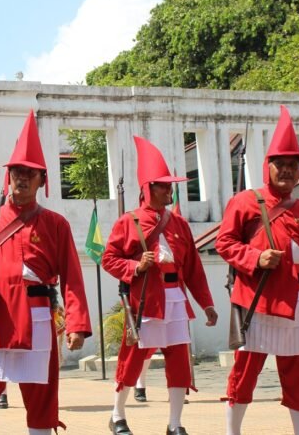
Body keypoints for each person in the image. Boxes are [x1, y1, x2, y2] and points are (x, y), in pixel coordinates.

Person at [0, 110, 92, 435]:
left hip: (38, 319)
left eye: (30, 173)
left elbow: (72, 277)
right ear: (9, 176)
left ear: (42, 180)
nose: (22, 177)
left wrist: (77, 324)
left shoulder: (56, 224)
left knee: (40, 397)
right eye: (17, 171)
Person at [216, 105, 299, 435]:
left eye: (293, 165)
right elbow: (225, 244)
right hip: (255, 302)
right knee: (244, 375)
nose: (287, 171)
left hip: (295, 301)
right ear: (267, 167)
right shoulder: (244, 202)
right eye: (280, 164)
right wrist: (254, 258)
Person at [103, 136, 217, 435]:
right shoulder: (129, 222)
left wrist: (206, 302)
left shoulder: (179, 224)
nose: (170, 190)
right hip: (146, 299)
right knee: (133, 358)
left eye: (171, 185)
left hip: (176, 298)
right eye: (164, 185)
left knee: (179, 360)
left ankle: (175, 423)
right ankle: (117, 414)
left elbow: (193, 268)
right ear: (148, 188)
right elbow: (109, 259)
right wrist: (136, 265)